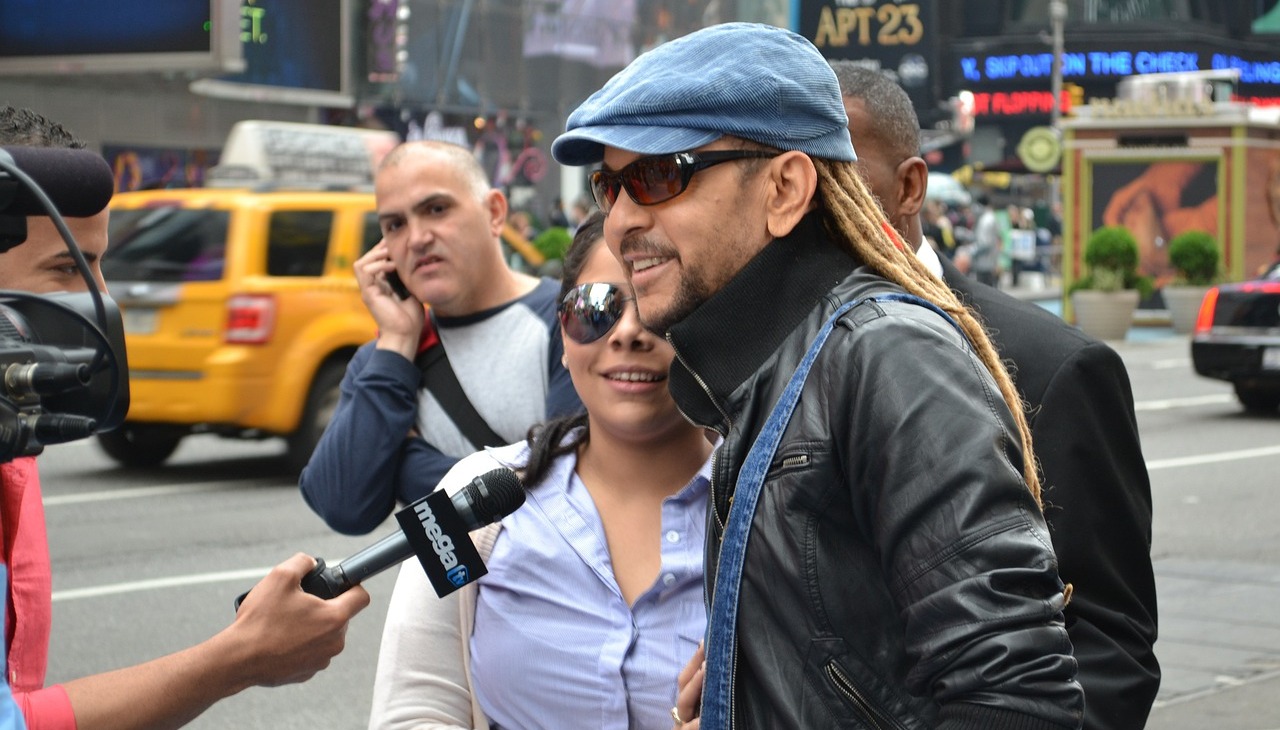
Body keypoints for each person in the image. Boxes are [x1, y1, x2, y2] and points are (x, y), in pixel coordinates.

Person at [553, 23, 1083, 729]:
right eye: (607, 186)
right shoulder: (763, 371)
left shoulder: (888, 356)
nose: (618, 222)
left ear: (785, 188)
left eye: (656, 176)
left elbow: (1019, 698)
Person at [0, 106, 370, 729]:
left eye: (99, 264)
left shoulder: (18, 437)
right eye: (67, 268)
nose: (102, 298)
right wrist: (239, 656)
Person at [833, 63, 1161, 730]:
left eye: (838, 178)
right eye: (787, 182)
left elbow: (1107, 646)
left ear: (908, 187)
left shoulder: (1051, 368)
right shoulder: (765, 360)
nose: (812, 207)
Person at [367, 212, 715, 729]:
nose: (627, 333)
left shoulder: (776, 503)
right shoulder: (464, 493)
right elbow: (412, 709)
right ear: (563, 330)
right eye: (595, 308)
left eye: (657, 307)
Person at [299, 141, 581, 535]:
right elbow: (342, 507)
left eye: (436, 209)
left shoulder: (568, 320)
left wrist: (406, 462)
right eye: (395, 224)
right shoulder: (384, 360)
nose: (416, 238)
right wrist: (397, 343)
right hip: (444, 597)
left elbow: (567, 492)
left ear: (495, 213)